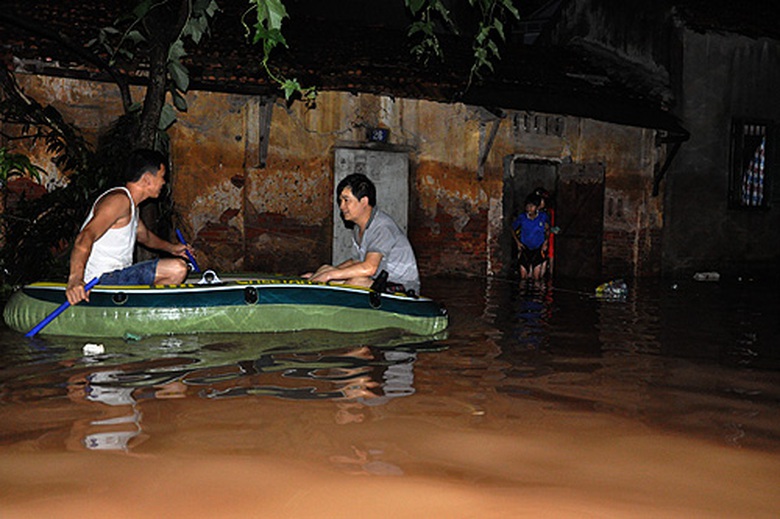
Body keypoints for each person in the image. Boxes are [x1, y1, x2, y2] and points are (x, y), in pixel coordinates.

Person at [65, 149, 191, 305]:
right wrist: (75, 279)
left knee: (175, 266)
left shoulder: (131, 205)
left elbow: (145, 236)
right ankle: (148, 310)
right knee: (176, 269)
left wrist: (172, 248)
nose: (164, 182)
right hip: (100, 281)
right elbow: (86, 236)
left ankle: (143, 310)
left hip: (118, 277)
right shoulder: (119, 201)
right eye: (162, 177)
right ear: (147, 179)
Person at [303, 173, 420, 294]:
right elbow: (356, 261)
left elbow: (370, 268)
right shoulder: (359, 228)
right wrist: (322, 274)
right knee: (331, 276)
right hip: (377, 281)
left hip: (402, 288)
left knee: (355, 283)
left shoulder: (382, 227)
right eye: (340, 200)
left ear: (364, 201)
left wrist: (330, 275)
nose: (342, 206)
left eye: (346, 200)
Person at [511, 193, 550, 280]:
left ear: (537, 207)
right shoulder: (522, 218)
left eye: (532, 206)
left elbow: (547, 229)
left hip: (538, 249)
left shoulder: (542, 217)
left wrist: (545, 242)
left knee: (536, 277)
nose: (529, 208)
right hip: (525, 249)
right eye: (528, 206)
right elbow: (512, 229)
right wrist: (518, 243)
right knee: (523, 277)